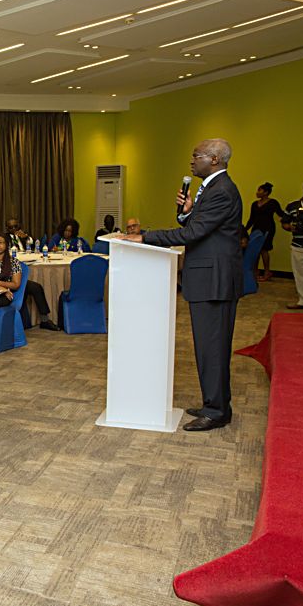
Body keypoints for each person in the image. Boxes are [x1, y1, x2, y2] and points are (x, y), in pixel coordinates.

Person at [125, 138, 243, 432]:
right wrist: (188, 210)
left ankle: (216, 411)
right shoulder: (214, 189)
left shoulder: (222, 191)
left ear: (214, 159)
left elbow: (194, 234)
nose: (192, 161)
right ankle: (214, 403)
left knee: (212, 348)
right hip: (208, 278)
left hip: (214, 281)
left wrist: (145, 237)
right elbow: (193, 226)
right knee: (208, 347)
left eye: (196, 156)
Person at [244, 182, 285, 281]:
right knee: (255, 249)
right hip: (256, 229)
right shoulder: (254, 204)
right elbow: (251, 219)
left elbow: (281, 213)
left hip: (268, 229)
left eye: (259, 190)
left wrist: (286, 220)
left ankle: (267, 272)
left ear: (266, 192)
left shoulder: (273, 203)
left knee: (264, 249)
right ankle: (255, 271)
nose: (257, 192)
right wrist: (244, 230)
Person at [282, 179, 303, 309]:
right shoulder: (292, 206)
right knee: (300, 275)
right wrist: (291, 227)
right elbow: (284, 222)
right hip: (299, 245)